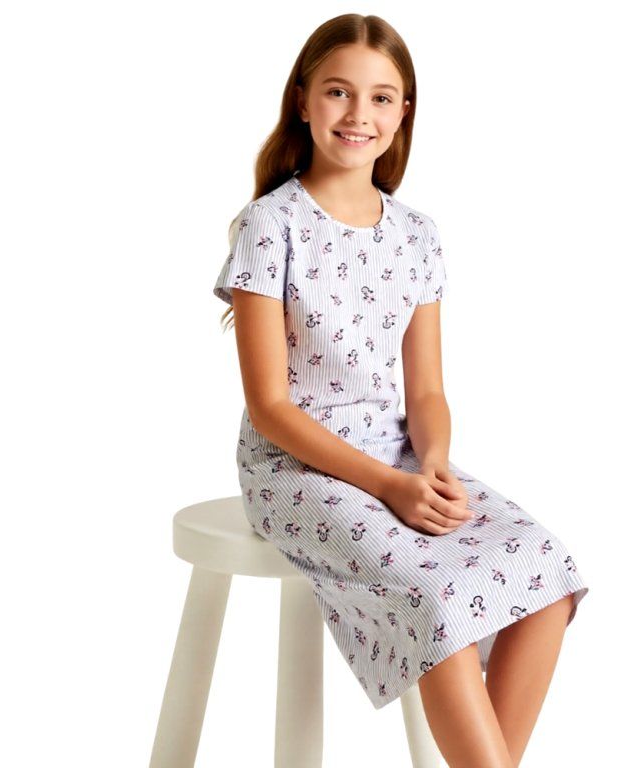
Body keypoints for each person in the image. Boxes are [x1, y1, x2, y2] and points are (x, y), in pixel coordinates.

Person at [211, 14, 590, 768]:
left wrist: (434, 465)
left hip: (400, 456)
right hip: (294, 469)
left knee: (546, 570)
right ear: (302, 100)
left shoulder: (417, 234)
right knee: (436, 594)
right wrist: (389, 487)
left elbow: (427, 394)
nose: (359, 114)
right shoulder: (270, 225)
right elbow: (270, 409)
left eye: (381, 98)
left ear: (403, 112)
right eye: (338, 92)